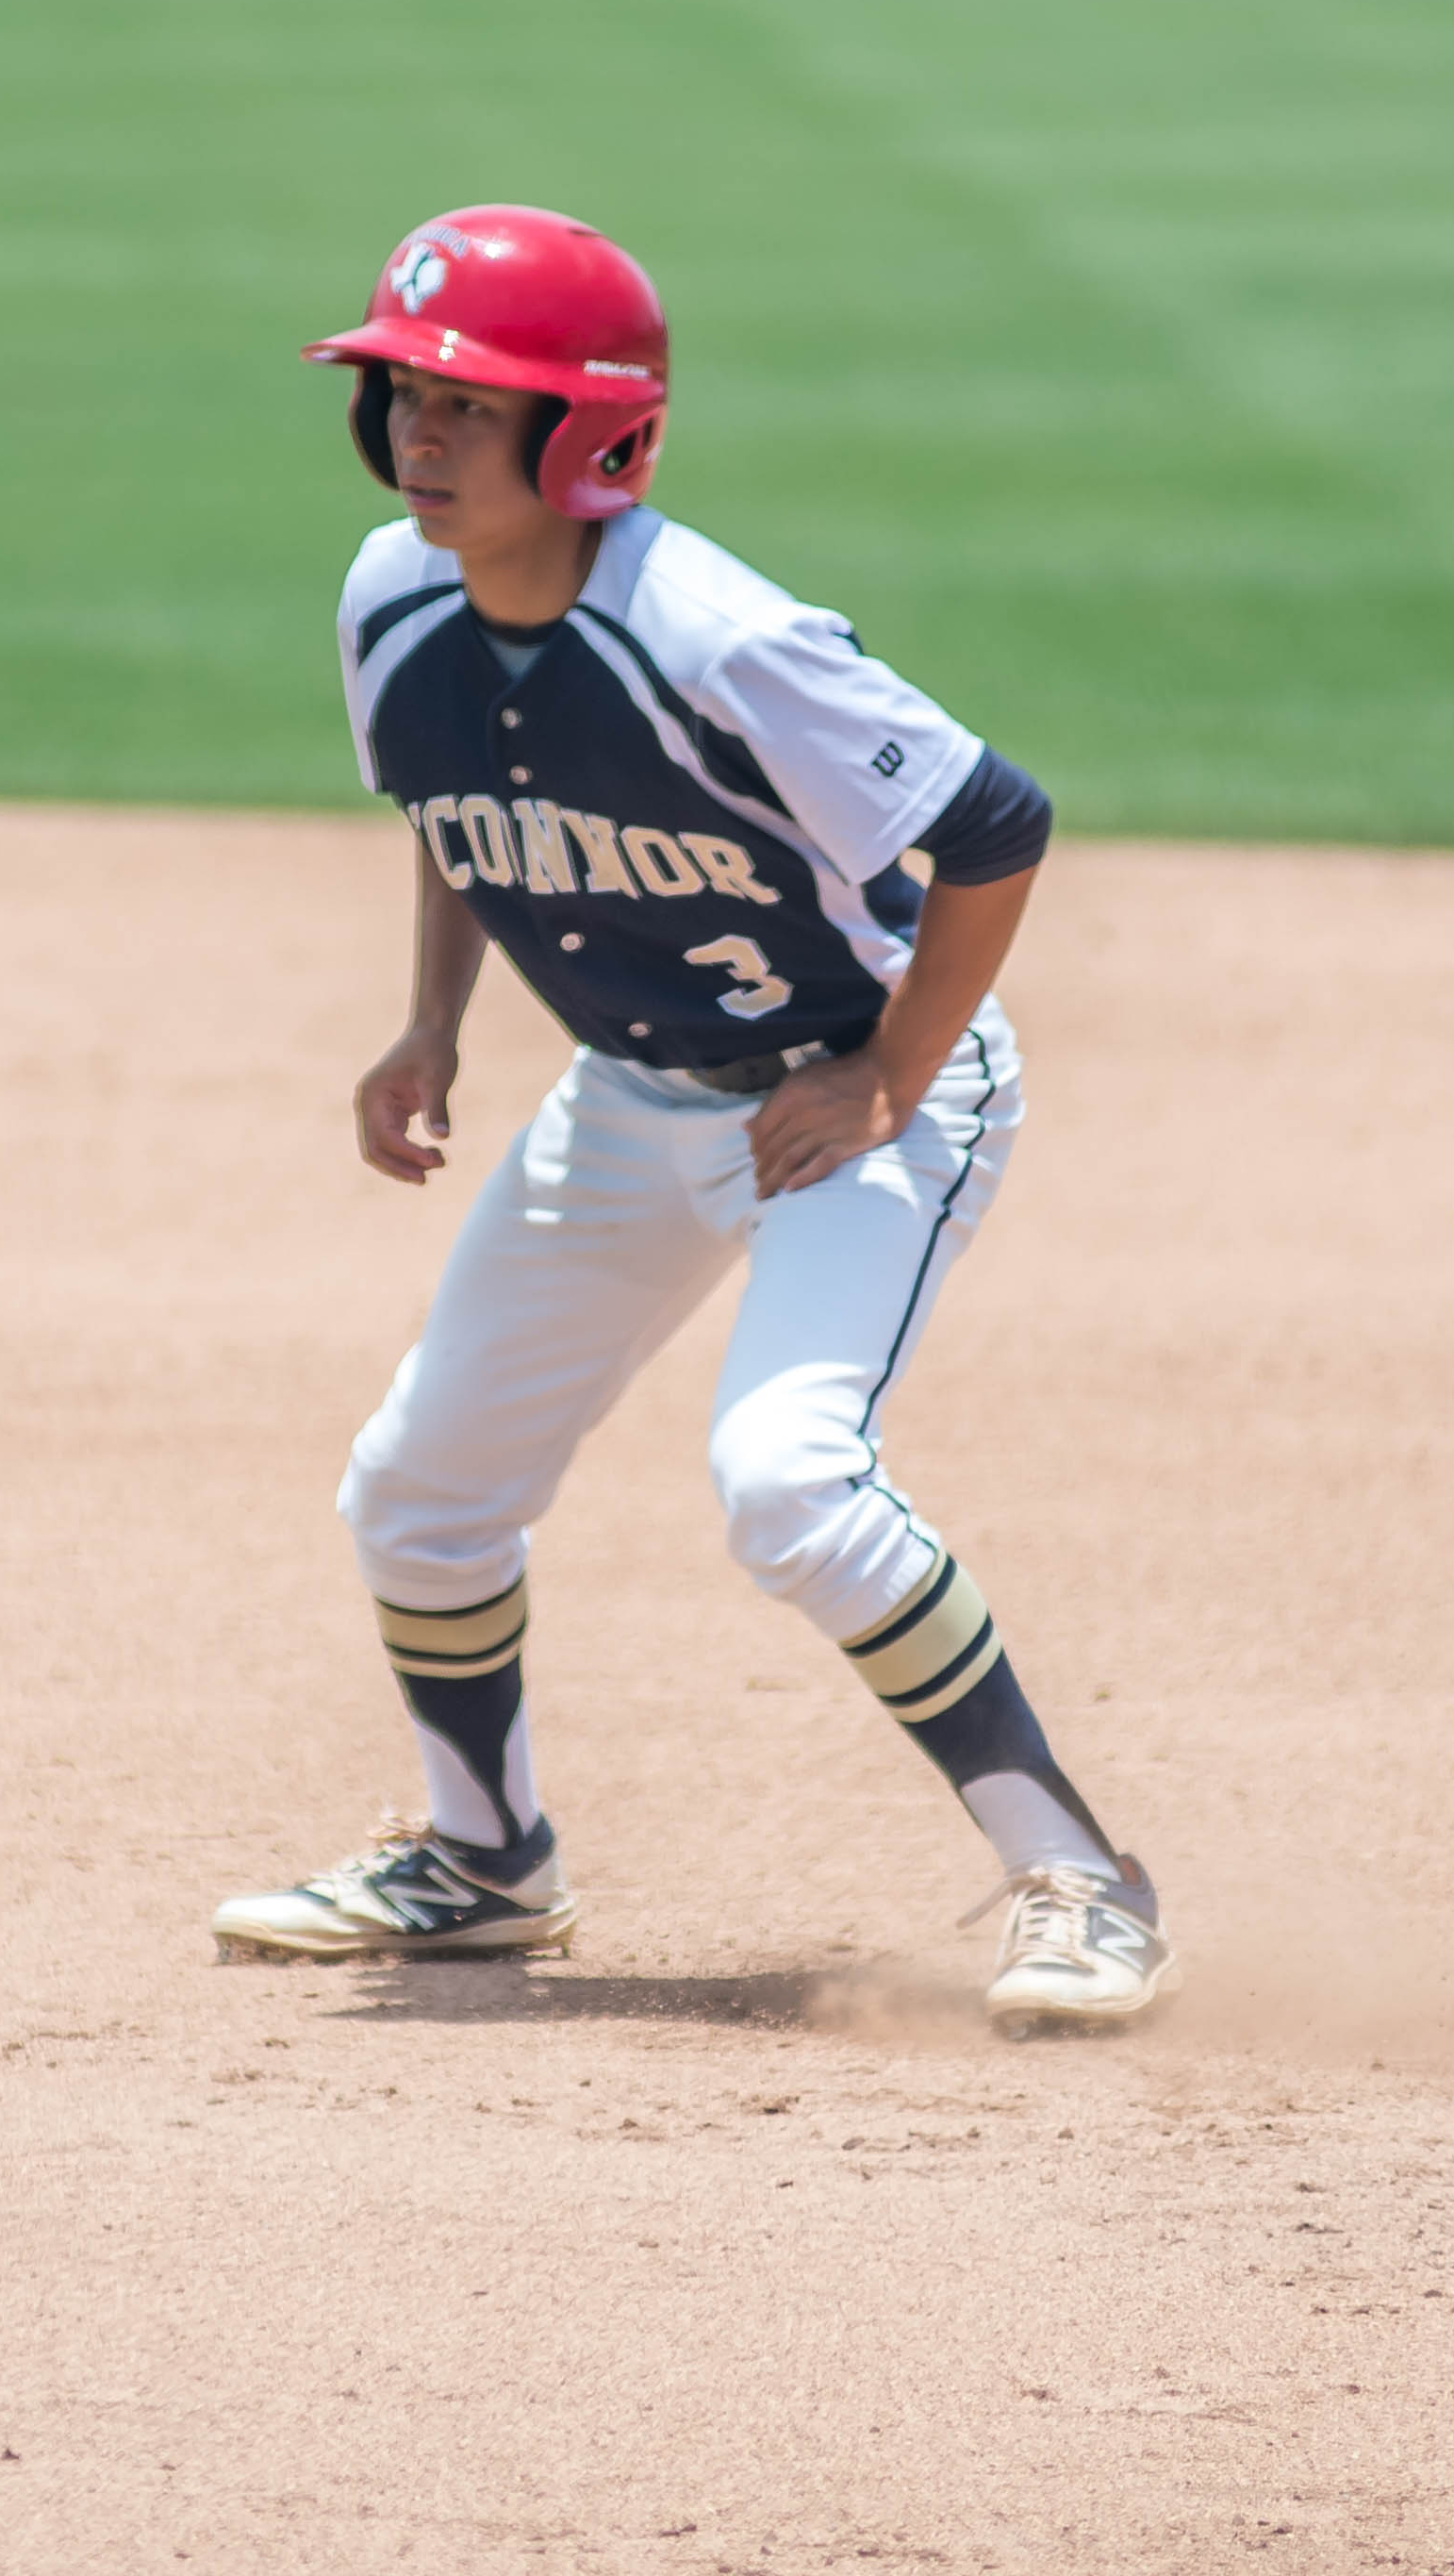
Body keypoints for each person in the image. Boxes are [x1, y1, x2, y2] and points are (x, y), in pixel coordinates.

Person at [207, 207, 1171, 2029]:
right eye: (403, 391)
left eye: (468, 403)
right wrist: (431, 1022)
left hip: (859, 1101)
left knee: (789, 1485)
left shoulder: (717, 637)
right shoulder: (390, 599)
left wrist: (887, 1073)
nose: (419, 429)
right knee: (418, 1492)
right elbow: (460, 811)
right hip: (632, 1095)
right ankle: (485, 1861)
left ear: (587, 435)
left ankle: (1082, 1879)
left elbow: (998, 827)